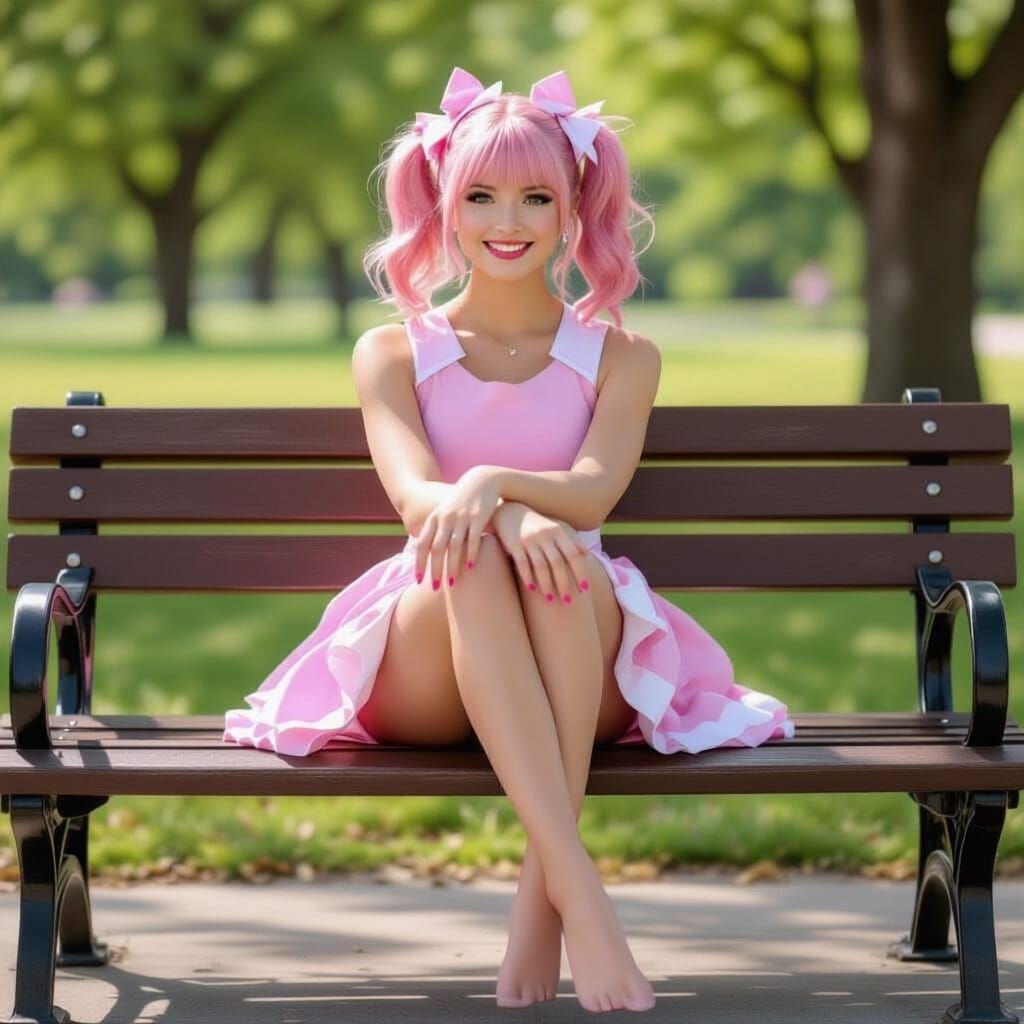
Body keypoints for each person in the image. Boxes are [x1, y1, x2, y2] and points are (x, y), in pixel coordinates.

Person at [223, 66, 795, 1013]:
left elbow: (597, 489)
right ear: (444, 206)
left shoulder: (621, 355)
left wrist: (493, 484)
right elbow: (418, 502)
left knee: (560, 562)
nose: (509, 218)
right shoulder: (393, 352)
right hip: (433, 652)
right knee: (481, 552)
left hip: (580, 637)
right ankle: (584, 904)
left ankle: (541, 908)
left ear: (576, 210)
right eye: (482, 195)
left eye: (537, 196)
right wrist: (513, 512)